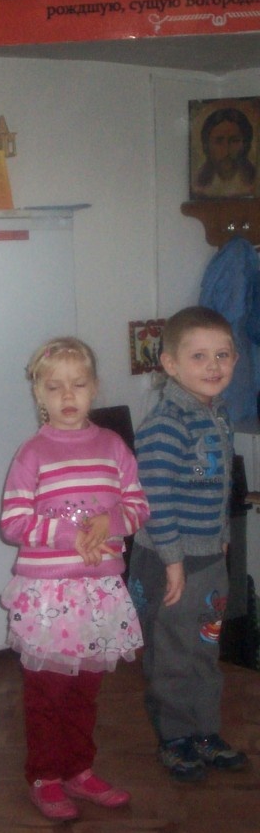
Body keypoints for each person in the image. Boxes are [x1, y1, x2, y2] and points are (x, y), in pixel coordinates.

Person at [0, 337, 149, 821]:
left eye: (78, 385)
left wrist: (111, 521)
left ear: (95, 388)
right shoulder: (33, 453)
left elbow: (138, 507)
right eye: (55, 387)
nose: (68, 395)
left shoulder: (113, 447)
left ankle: (79, 770)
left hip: (99, 593)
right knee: (47, 692)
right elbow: (13, 523)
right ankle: (45, 777)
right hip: (49, 595)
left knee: (85, 690)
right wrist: (71, 533)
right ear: (39, 394)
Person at [128, 306, 248, 783]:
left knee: (204, 645)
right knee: (173, 653)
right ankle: (175, 736)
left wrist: (222, 539)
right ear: (170, 364)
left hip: (206, 556)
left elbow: (218, 490)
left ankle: (205, 732)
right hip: (168, 560)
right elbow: (154, 500)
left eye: (223, 354)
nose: (213, 366)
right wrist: (174, 561)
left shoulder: (217, 416)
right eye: (199, 356)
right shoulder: (166, 424)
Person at [192, 106, 258, 199]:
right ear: (206, 146)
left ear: (246, 145)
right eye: (218, 141)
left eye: (234, 140)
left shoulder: (255, 181)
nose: (226, 148)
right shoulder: (199, 183)